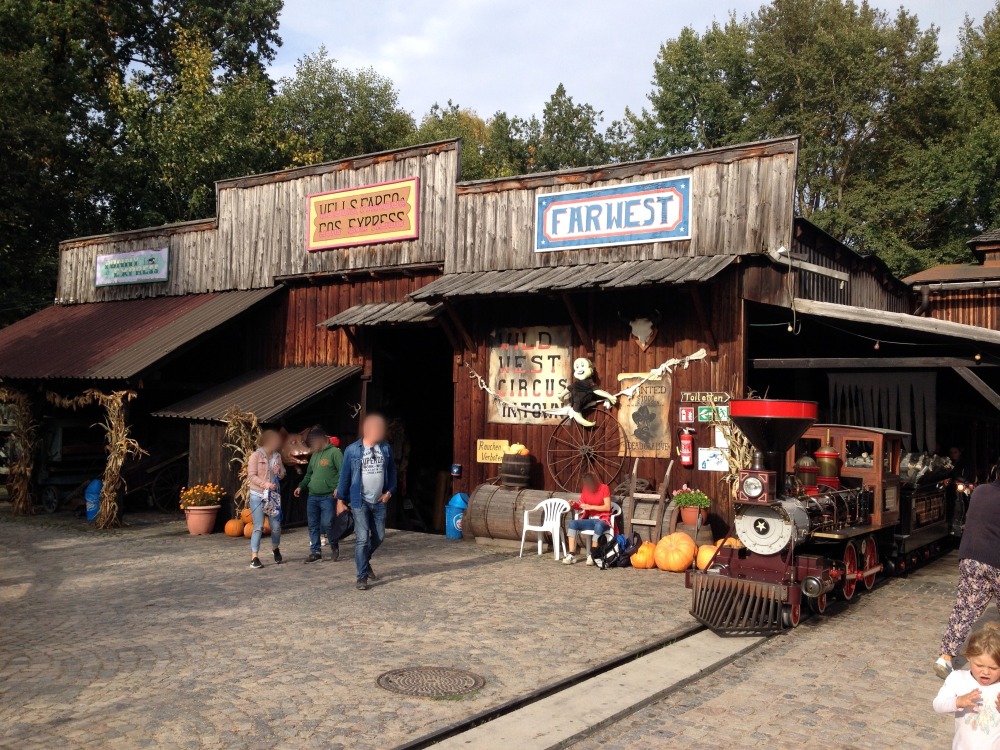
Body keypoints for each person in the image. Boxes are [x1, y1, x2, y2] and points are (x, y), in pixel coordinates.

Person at [937, 476, 1000, 678]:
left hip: (970, 556)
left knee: (964, 609)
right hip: (996, 560)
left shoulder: (980, 491)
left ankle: (945, 658)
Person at [337, 414, 397, 590]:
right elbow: (345, 476)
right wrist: (340, 500)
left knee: (379, 536)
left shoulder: (386, 449)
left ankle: (365, 559)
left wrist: (389, 492)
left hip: (379, 500)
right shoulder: (352, 450)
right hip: (359, 500)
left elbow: (392, 472)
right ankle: (361, 577)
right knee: (362, 539)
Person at [934, 622, 1000, 749]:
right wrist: (958, 701)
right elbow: (937, 705)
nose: (985, 672)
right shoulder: (957, 678)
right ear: (969, 657)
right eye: (979, 665)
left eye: (993, 668)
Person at [294, 427, 343, 563]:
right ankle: (315, 551)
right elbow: (309, 474)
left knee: (327, 523)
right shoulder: (315, 455)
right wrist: (301, 486)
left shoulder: (335, 453)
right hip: (313, 495)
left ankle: (334, 545)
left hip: (328, 496)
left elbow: (343, 472)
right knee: (313, 525)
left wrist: (339, 487)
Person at [246, 429, 285, 569]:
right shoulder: (256, 456)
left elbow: (283, 474)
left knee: (276, 527)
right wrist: (265, 484)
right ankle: (254, 557)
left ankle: (275, 548)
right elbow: (251, 475)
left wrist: (279, 472)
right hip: (258, 494)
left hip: (273, 497)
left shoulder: (277, 456)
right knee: (258, 526)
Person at [562, 472, 612, 565]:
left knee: (598, 525)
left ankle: (592, 554)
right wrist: (575, 504)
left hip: (602, 520)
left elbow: (607, 507)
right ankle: (571, 554)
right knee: (573, 523)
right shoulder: (586, 489)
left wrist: (591, 507)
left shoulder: (604, 488)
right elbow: (582, 505)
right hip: (590, 519)